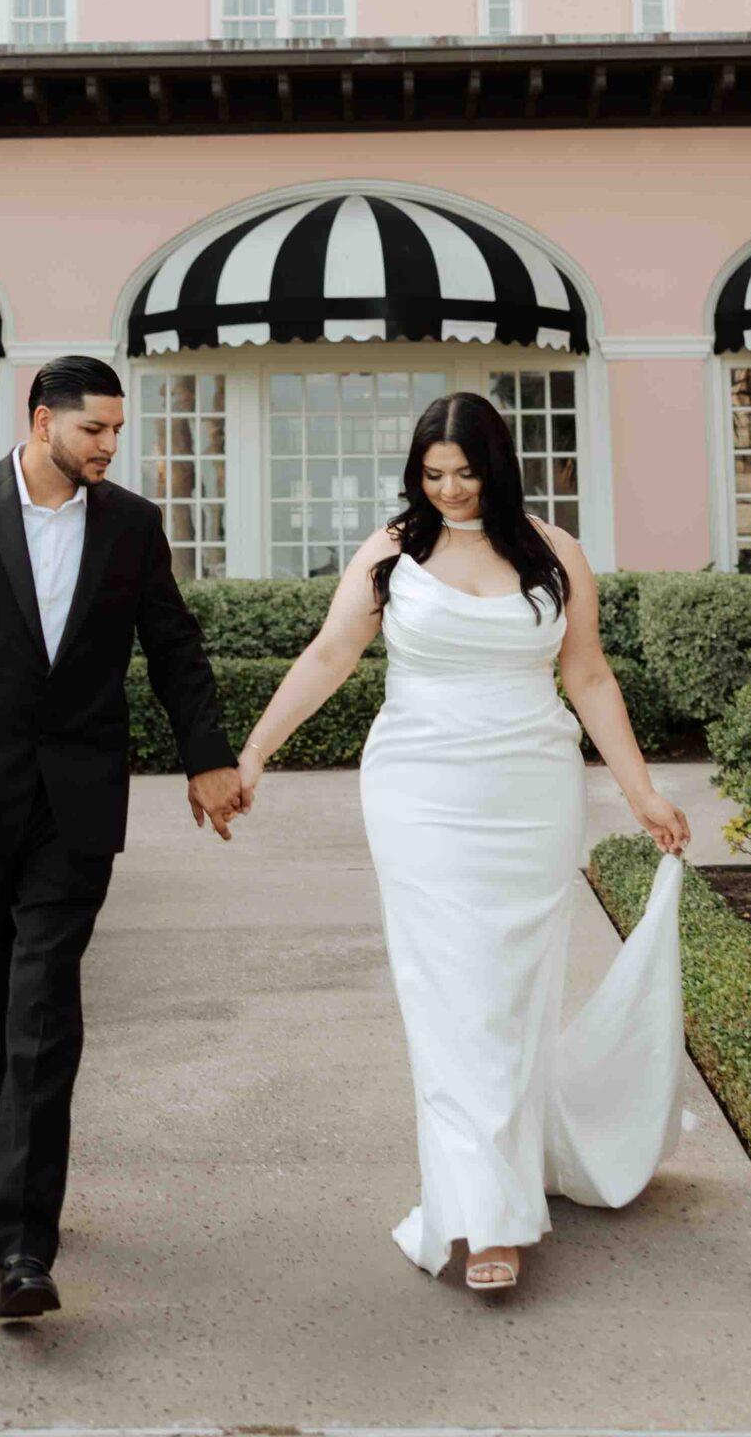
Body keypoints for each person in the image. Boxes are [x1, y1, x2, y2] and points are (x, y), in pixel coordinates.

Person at [235, 389, 690, 1292]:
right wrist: (251, 755)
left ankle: (513, 1170)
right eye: (431, 474)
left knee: (513, 995)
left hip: (529, 791)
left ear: (498, 468)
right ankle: (482, 1219)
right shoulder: (391, 555)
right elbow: (329, 657)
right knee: (450, 997)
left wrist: (640, 791)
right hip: (419, 794)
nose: (446, 490)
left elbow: (588, 675)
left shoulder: (555, 554)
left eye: (464, 473)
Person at [0, 354, 245, 1321]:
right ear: (41, 421)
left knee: (41, 1008)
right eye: (94, 430)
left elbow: (173, 646)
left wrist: (207, 757)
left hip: (77, 807)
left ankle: (22, 1249)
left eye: (118, 431)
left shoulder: (129, 524)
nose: (109, 447)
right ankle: (25, 1175)